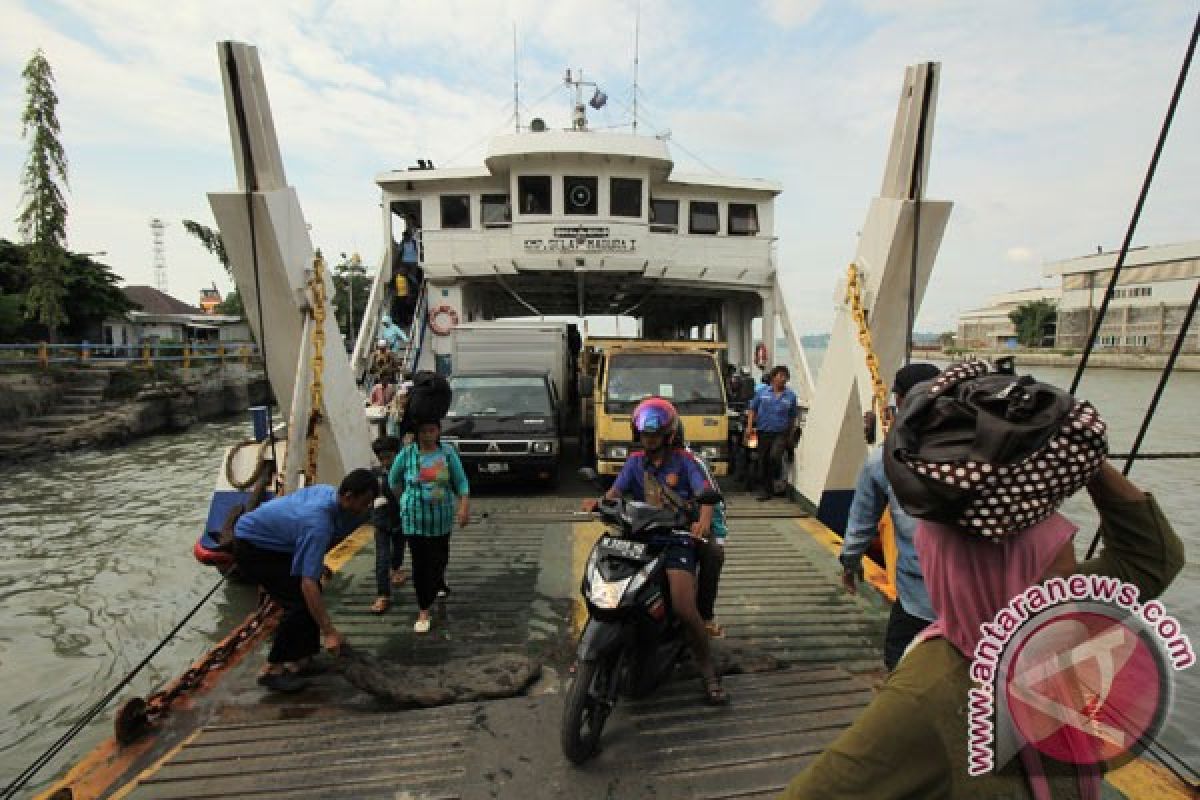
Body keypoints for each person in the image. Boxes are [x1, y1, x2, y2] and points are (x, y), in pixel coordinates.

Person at [780, 374, 1185, 799]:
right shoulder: (932, 696)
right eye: (1057, 563)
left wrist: (1073, 451)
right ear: (1005, 572)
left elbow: (1152, 560)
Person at [582, 397, 728, 705]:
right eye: (645, 435)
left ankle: (708, 673)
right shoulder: (635, 463)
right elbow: (615, 493)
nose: (649, 440)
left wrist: (701, 523)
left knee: (684, 609)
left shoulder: (685, 461)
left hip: (675, 540)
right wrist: (599, 504)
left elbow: (704, 496)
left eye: (655, 435)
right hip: (638, 538)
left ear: (668, 435)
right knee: (604, 588)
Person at [233, 470, 377, 692]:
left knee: (311, 591)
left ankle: (301, 659)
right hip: (253, 546)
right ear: (348, 496)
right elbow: (307, 583)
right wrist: (329, 632)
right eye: (365, 502)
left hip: (278, 540)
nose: (366, 508)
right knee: (298, 601)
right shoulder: (318, 523)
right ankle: (273, 669)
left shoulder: (329, 493)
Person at [839, 362, 941, 670]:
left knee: (900, 664)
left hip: (919, 596)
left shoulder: (884, 458)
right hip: (986, 599)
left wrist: (849, 563)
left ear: (899, 398)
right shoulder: (979, 449)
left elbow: (861, 523)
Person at [389, 418, 470, 633]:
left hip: (441, 519)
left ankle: (438, 582)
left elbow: (461, 482)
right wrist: (404, 501)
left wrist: (463, 507)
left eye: (431, 430)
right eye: (423, 431)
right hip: (414, 520)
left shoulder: (447, 453)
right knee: (420, 564)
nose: (427, 435)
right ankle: (423, 608)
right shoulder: (407, 454)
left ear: (438, 431)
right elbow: (393, 480)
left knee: (439, 557)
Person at [746, 365, 798, 501]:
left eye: (785, 376)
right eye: (780, 375)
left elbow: (793, 417)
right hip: (763, 432)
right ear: (773, 377)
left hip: (781, 433)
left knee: (774, 456)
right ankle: (766, 490)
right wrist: (749, 427)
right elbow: (752, 409)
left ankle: (775, 481)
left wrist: (791, 435)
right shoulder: (762, 393)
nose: (782, 379)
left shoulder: (791, 396)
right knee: (762, 461)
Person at [369, 437, 408, 614]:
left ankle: (397, 568)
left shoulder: (406, 473)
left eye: (389, 457)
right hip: (382, 521)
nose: (386, 461)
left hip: (401, 519)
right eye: (382, 458)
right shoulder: (375, 475)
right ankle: (383, 594)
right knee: (381, 558)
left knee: (399, 547)